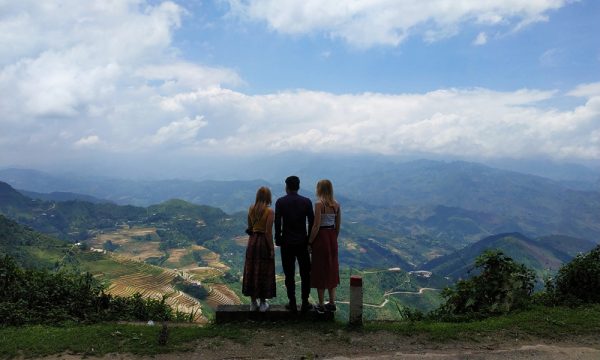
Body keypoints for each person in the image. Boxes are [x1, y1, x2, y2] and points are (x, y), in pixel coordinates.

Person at [275, 176, 314, 313]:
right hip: (303, 243)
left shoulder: (280, 202)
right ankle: (305, 302)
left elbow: (278, 222)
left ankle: (292, 302)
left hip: (286, 243)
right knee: (305, 274)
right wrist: (310, 241)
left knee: (289, 274)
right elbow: (312, 223)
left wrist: (278, 239)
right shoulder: (307, 202)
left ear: (287, 187)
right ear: (298, 187)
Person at [308, 179, 341, 313]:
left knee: (319, 269)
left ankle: (321, 304)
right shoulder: (336, 205)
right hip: (332, 237)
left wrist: (310, 241)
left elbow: (316, 226)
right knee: (332, 269)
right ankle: (332, 303)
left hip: (321, 238)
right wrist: (333, 238)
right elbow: (338, 226)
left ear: (319, 189)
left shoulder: (318, 204)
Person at [242, 186, 276, 312]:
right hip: (263, 243)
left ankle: (253, 302)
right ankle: (262, 303)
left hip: (252, 242)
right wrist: (271, 249)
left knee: (251, 269)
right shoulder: (270, 212)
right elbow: (268, 232)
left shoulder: (251, 209)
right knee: (264, 270)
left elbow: (250, 227)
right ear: (268, 197)